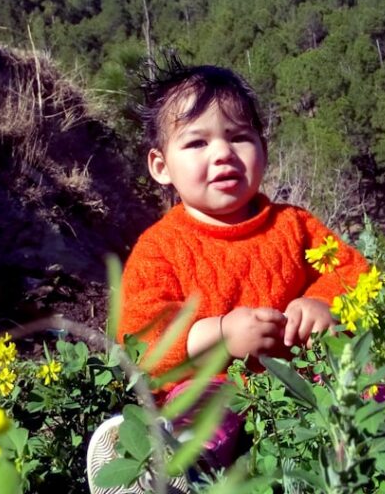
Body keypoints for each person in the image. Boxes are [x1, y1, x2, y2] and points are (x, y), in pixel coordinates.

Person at [86, 63, 368, 492]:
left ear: (263, 150)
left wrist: (323, 304)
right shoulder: (161, 245)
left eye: (239, 137)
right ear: (161, 166)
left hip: (300, 379)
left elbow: (356, 274)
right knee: (203, 408)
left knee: (365, 379)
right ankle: (167, 472)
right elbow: (140, 337)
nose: (222, 153)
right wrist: (220, 336)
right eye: (197, 142)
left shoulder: (296, 226)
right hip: (208, 383)